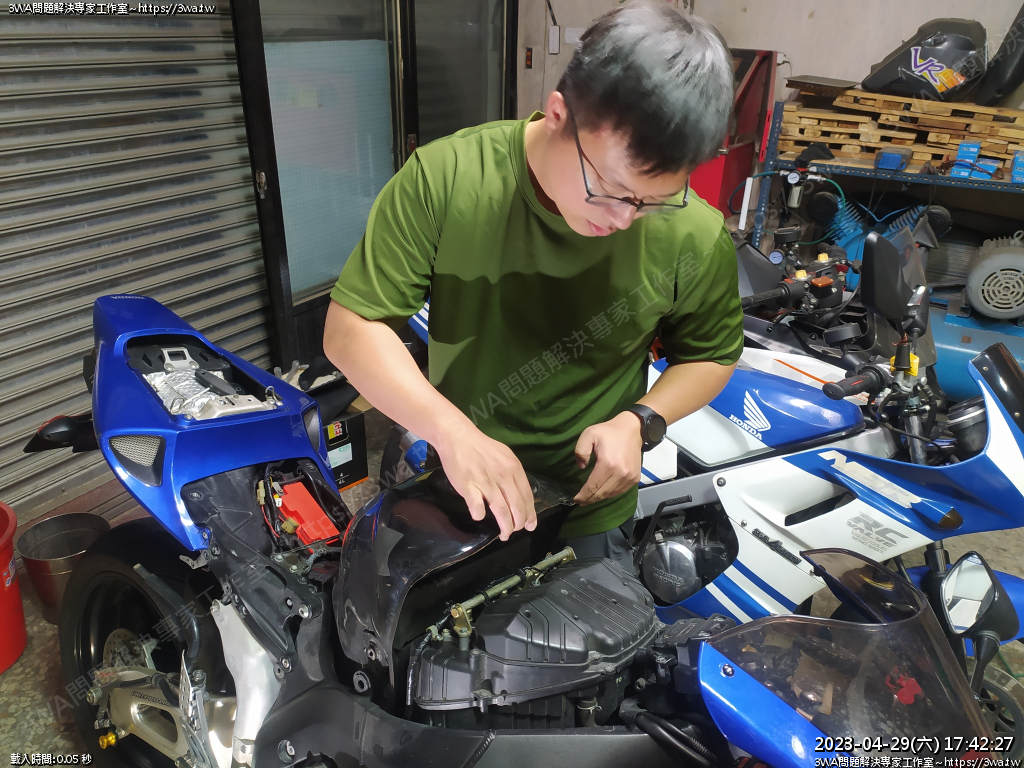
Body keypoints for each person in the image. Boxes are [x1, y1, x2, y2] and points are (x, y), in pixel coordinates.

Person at [323, 1, 742, 571]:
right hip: (458, 487)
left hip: (588, 507)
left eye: (653, 202)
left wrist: (642, 420)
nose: (624, 219)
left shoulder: (693, 232)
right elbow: (351, 327)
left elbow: (711, 355)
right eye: (609, 189)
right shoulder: (447, 180)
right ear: (558, 115)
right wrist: (452, 432)